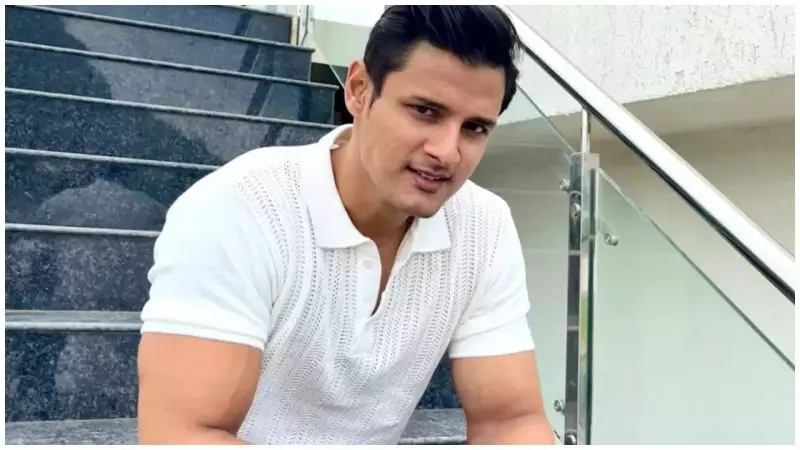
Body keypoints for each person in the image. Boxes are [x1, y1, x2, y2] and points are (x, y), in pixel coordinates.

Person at [137, 5, 553, 445]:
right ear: (358, 90)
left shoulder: (484, 226)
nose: (447, 152)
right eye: (425, 111)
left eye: (475, 128)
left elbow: (510, 422)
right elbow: (179, 434)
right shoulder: (240, 208)